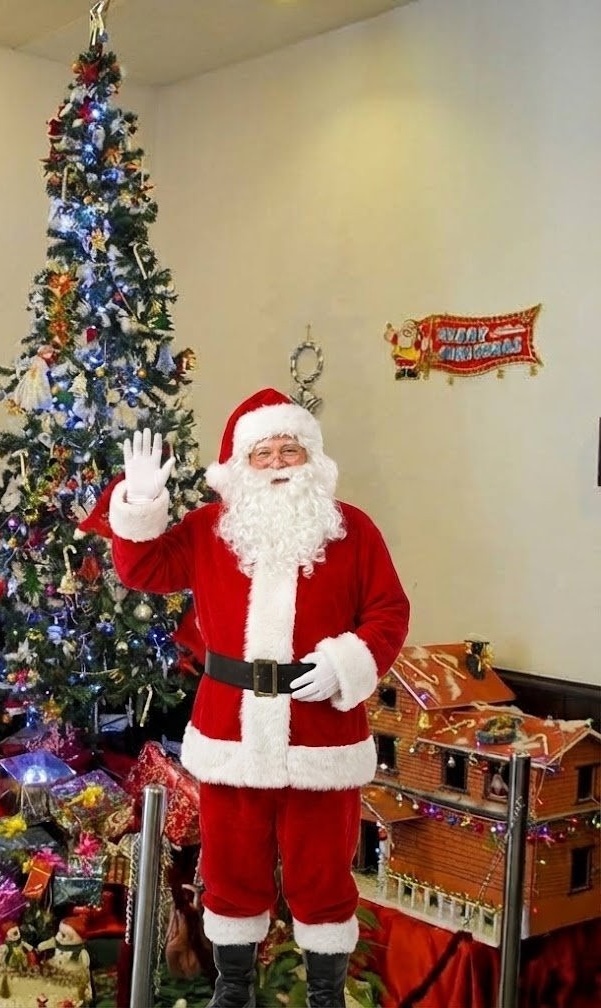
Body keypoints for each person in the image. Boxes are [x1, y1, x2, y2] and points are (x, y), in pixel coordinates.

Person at [107, 388, 409, 1008]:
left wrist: (345, 664)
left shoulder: (352, 529)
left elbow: (389, 612)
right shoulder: (207, 529)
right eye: (262, 453)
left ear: (311, 457)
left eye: (288, 450)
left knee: (323, 872)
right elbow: (142, 571)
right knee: (231, 867)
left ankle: (325, 994)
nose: (276, 464)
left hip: (320, 733)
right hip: (231, 731)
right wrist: (139, 505)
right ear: (240, 466)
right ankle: (234, 989)